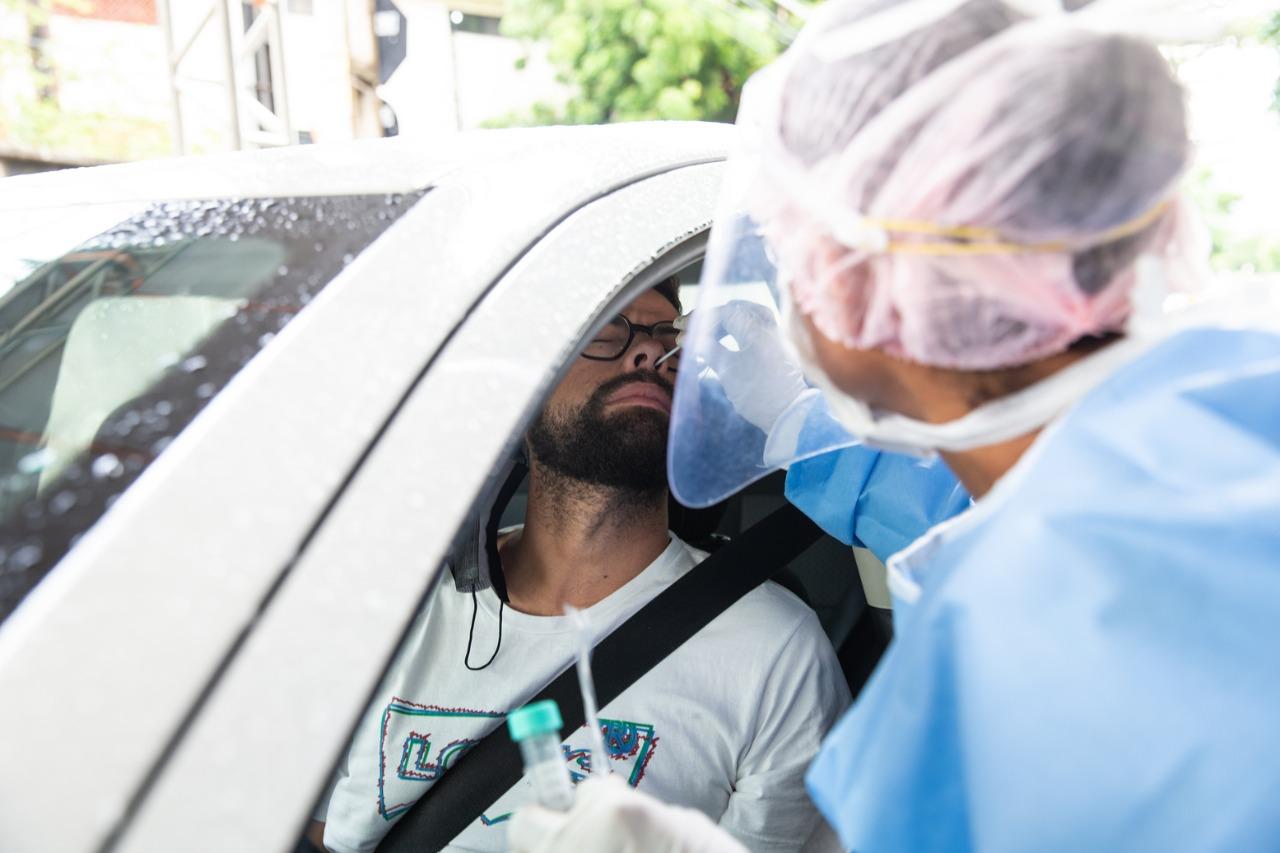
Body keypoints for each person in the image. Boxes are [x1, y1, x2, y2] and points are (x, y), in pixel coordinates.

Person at [512, 1, 1280, 851]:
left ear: (859, 280)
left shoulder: (1023, 642)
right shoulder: (1227, 422)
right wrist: (794, 424)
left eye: (790, 249)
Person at [309, 279, 850, 852]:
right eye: (605, 331)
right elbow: (305, 829)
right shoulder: (387, 612)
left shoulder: (776, 650)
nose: (649, 352)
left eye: (670, 336)